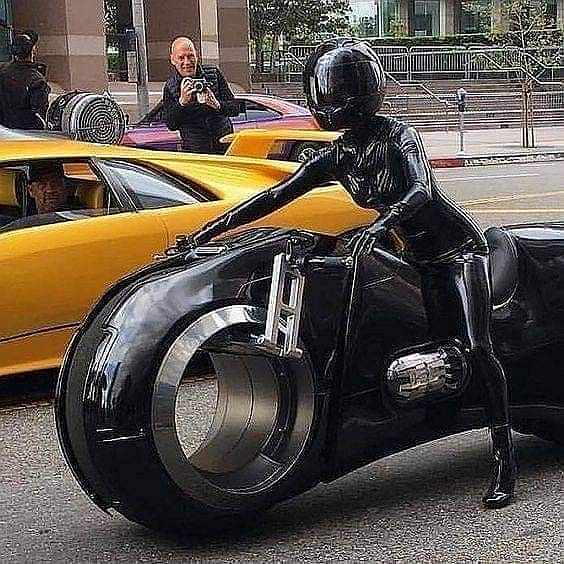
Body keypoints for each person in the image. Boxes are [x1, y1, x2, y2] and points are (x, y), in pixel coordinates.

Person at [187, 38, 517, 509]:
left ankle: (504, 458)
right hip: (414, 258)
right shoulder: (339, 155)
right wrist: (211, 228)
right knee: (409, 331)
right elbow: (275, 196)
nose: (323, 108)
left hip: (457, 252)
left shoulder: (399, 136)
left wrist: (379, 225)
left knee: (478, 347)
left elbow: (421, 192)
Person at [162, 37, 241, 154]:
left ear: (196, 56)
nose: (187, 62)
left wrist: (217, 104)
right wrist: (182, 102)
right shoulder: (170, 86)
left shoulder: (214, 73)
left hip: (224, 147)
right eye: (181, 58)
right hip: (196, 151)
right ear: (173, 60)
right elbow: (171, 124)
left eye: (190, 56)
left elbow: (235, 108)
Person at [0, 30, 50, 130]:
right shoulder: (37, 81)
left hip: (4, 132)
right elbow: (40, 115)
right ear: (33, 50)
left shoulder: (2, 71)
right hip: (26, 134)